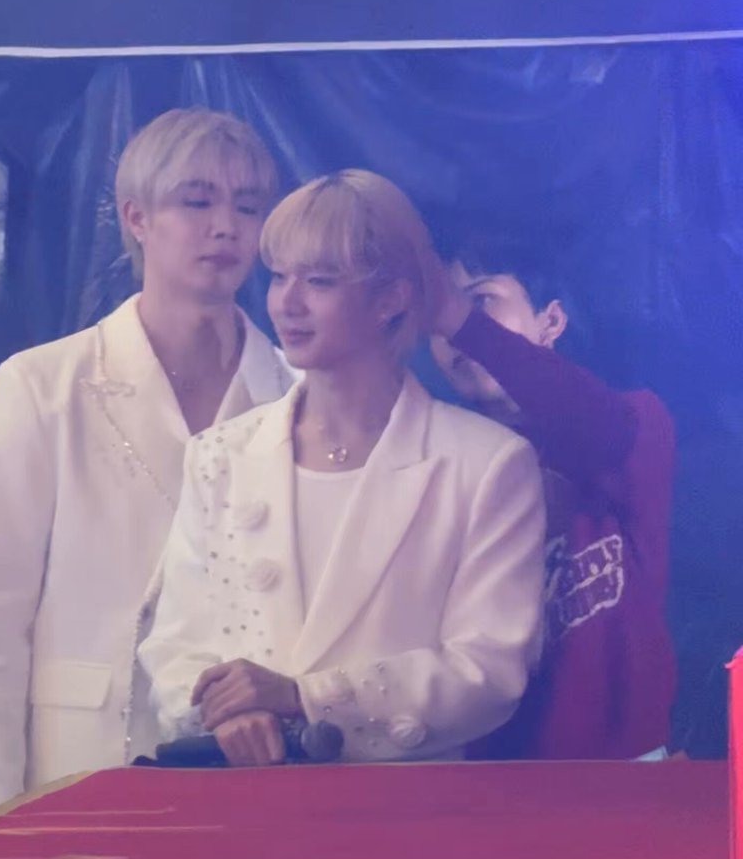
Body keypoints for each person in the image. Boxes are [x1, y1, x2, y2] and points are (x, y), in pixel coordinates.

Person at [139, 172, 546, 766]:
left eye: (320, 281)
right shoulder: (219, 456)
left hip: (409, 811)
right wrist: (226, 712)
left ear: (391, 299)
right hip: (241, 803)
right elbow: (176, 646)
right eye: (279, 276)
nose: (287, 302)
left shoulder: (487, 464)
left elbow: (489, 669)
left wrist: (308, 699)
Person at [0, 107, 292, 814]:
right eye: (196, 201)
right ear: (137, 218)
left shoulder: (294, 394)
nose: (225, 226)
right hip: (82, 761)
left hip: (249, 772)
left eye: (247, 206)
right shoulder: (45, 384)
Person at [429, 236, 676, 758]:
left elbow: (593, 421)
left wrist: (458, 320)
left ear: (552, 321)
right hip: (497, 775)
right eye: (437, 317)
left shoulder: (637, 420)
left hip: (630, 765)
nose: (451, 329)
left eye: (482, 299)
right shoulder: (442, 459)